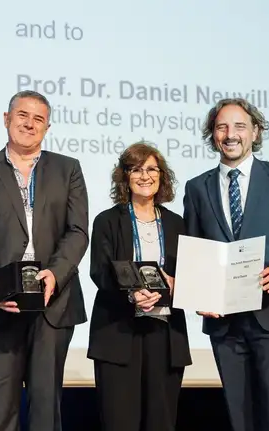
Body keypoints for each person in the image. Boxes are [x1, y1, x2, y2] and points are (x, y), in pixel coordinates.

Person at [183, 98, 269, 431]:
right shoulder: (196, 188)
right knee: (239, 416)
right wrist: (200, 295)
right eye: (222, 127)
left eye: (239, 126)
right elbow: (194, 252)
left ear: (255, 131)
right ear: (212, 134)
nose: (231, 134)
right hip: (224, 323)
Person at [0, 90, 89, 431]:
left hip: (53, 303)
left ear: (47, 127)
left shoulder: (68, 169)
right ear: (6, 119)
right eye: (22, 115)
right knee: (0, 409)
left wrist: (56, 274)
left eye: (38, 119)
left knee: (46, 408)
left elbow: (77, 231)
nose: (29, 124)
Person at [87, 142, 191, 431]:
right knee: (120, 422)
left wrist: (175, 285)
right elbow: (100, 272)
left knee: (162, 422)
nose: (145, 176)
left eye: (151, 169)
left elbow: (192, 276)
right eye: (136, 169)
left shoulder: (177, 224)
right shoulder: (107, 221)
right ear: (125, 176)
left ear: (162, 175)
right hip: (119, 333)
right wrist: (132, 294)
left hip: (165, 333)